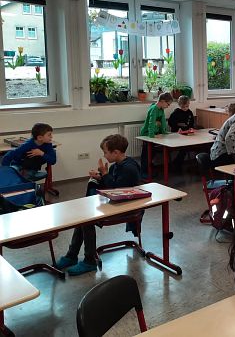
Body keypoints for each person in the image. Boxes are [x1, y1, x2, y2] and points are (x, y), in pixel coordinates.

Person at [55, 135, 141, 275]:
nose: (104, 155)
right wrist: (100, 177)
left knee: (87, 219)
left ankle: (89, 261)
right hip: (117, 203)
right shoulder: (116, 166)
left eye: (105, 152)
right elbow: (110, 186)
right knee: (82, 216)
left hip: (128, 207)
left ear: (116, 152)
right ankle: (71, 255)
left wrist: (105, 174)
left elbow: (117, 190)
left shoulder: (129, 168)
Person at [139, 92, 172, 178]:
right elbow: (151, 123)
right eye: (168, 104)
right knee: (146, 154)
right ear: (163, 101)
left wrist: (164, 132)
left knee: (152, 153)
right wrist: (151, 135)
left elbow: (163, 121)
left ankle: (149, 171)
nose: (168, 106)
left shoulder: (161, 110)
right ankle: (143, 172)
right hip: (147, 134)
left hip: (154, 134)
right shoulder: (154, 109)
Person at [168, 95, 195, 167]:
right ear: (179, 105)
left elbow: (192, 123)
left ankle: (177, 163)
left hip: (187, 135)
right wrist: (177, 128)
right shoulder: (176, 113)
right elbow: (170, 122)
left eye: (187, 106)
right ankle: (176, 164)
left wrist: (191, 128)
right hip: (176, 135)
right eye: (183, 107)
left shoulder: (190, 112)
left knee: (187, 146)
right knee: (184, 147)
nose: (185, 108)